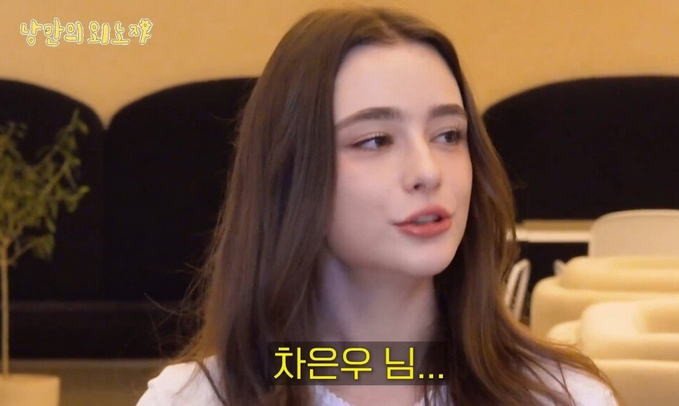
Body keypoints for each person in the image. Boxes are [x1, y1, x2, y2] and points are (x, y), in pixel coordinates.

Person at [137, 6, 618, 406]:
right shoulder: (193, 399)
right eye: (375, 140)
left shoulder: (563, 396)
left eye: (448, 135)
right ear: (291, 173)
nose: (428, 171)